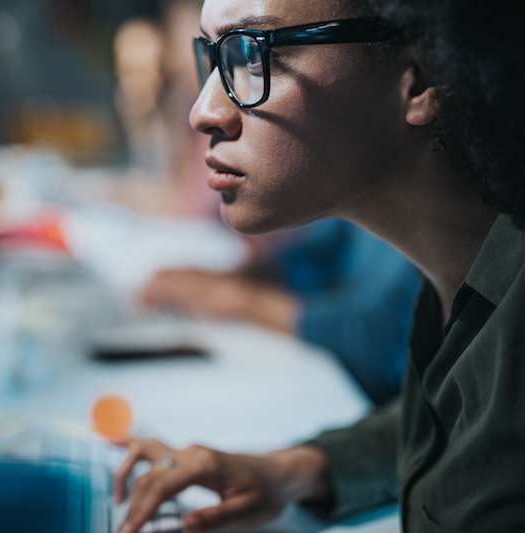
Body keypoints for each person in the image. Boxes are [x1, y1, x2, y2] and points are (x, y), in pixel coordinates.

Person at [114, 0, 525, 531]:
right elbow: (453, 418)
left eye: (254, 55)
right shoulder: (458, 278)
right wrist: (293, 470)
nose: (204, 111)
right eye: (212, 57)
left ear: (424, 78)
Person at [141, 218, 420, 405]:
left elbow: (379, 338)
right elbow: (313, 256)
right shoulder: (367, 183)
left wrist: (244, 300)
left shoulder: (421, 211)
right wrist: (234, 278)